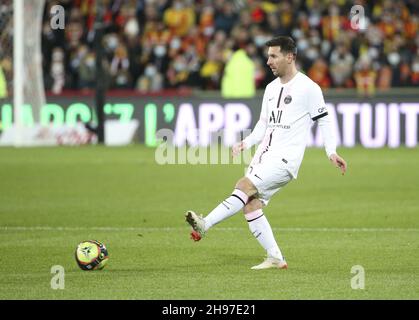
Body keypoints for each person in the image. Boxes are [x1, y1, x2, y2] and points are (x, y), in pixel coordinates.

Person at [185, 36, 347, 270]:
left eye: (274, 56)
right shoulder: (271, 88)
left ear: (289, 57)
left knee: (243, 185)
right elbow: (264, 123)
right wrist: (246, 142)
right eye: (268, 56)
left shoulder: (309, 88)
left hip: (285, 160)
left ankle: (205, 224)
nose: (268, 61)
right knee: (250, 205)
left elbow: (324, 121)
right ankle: (275, 257)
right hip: (264, 155)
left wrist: (331, 151)